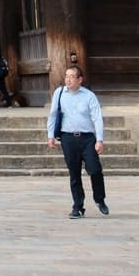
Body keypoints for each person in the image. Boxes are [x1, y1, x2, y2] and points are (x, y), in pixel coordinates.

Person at [46, 65, 107, 219]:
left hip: (87, 138)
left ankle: (99, 199)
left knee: (94, 169)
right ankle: (78, 207)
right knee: (74, 173)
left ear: (80, 79)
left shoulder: (89, 96)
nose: (68, 79)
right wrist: (50, 135)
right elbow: (53, 115)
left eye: (72, 76)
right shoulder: (59, 93)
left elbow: (97, 118)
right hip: (68, 138)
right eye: (66, 76)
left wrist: (99, 139)